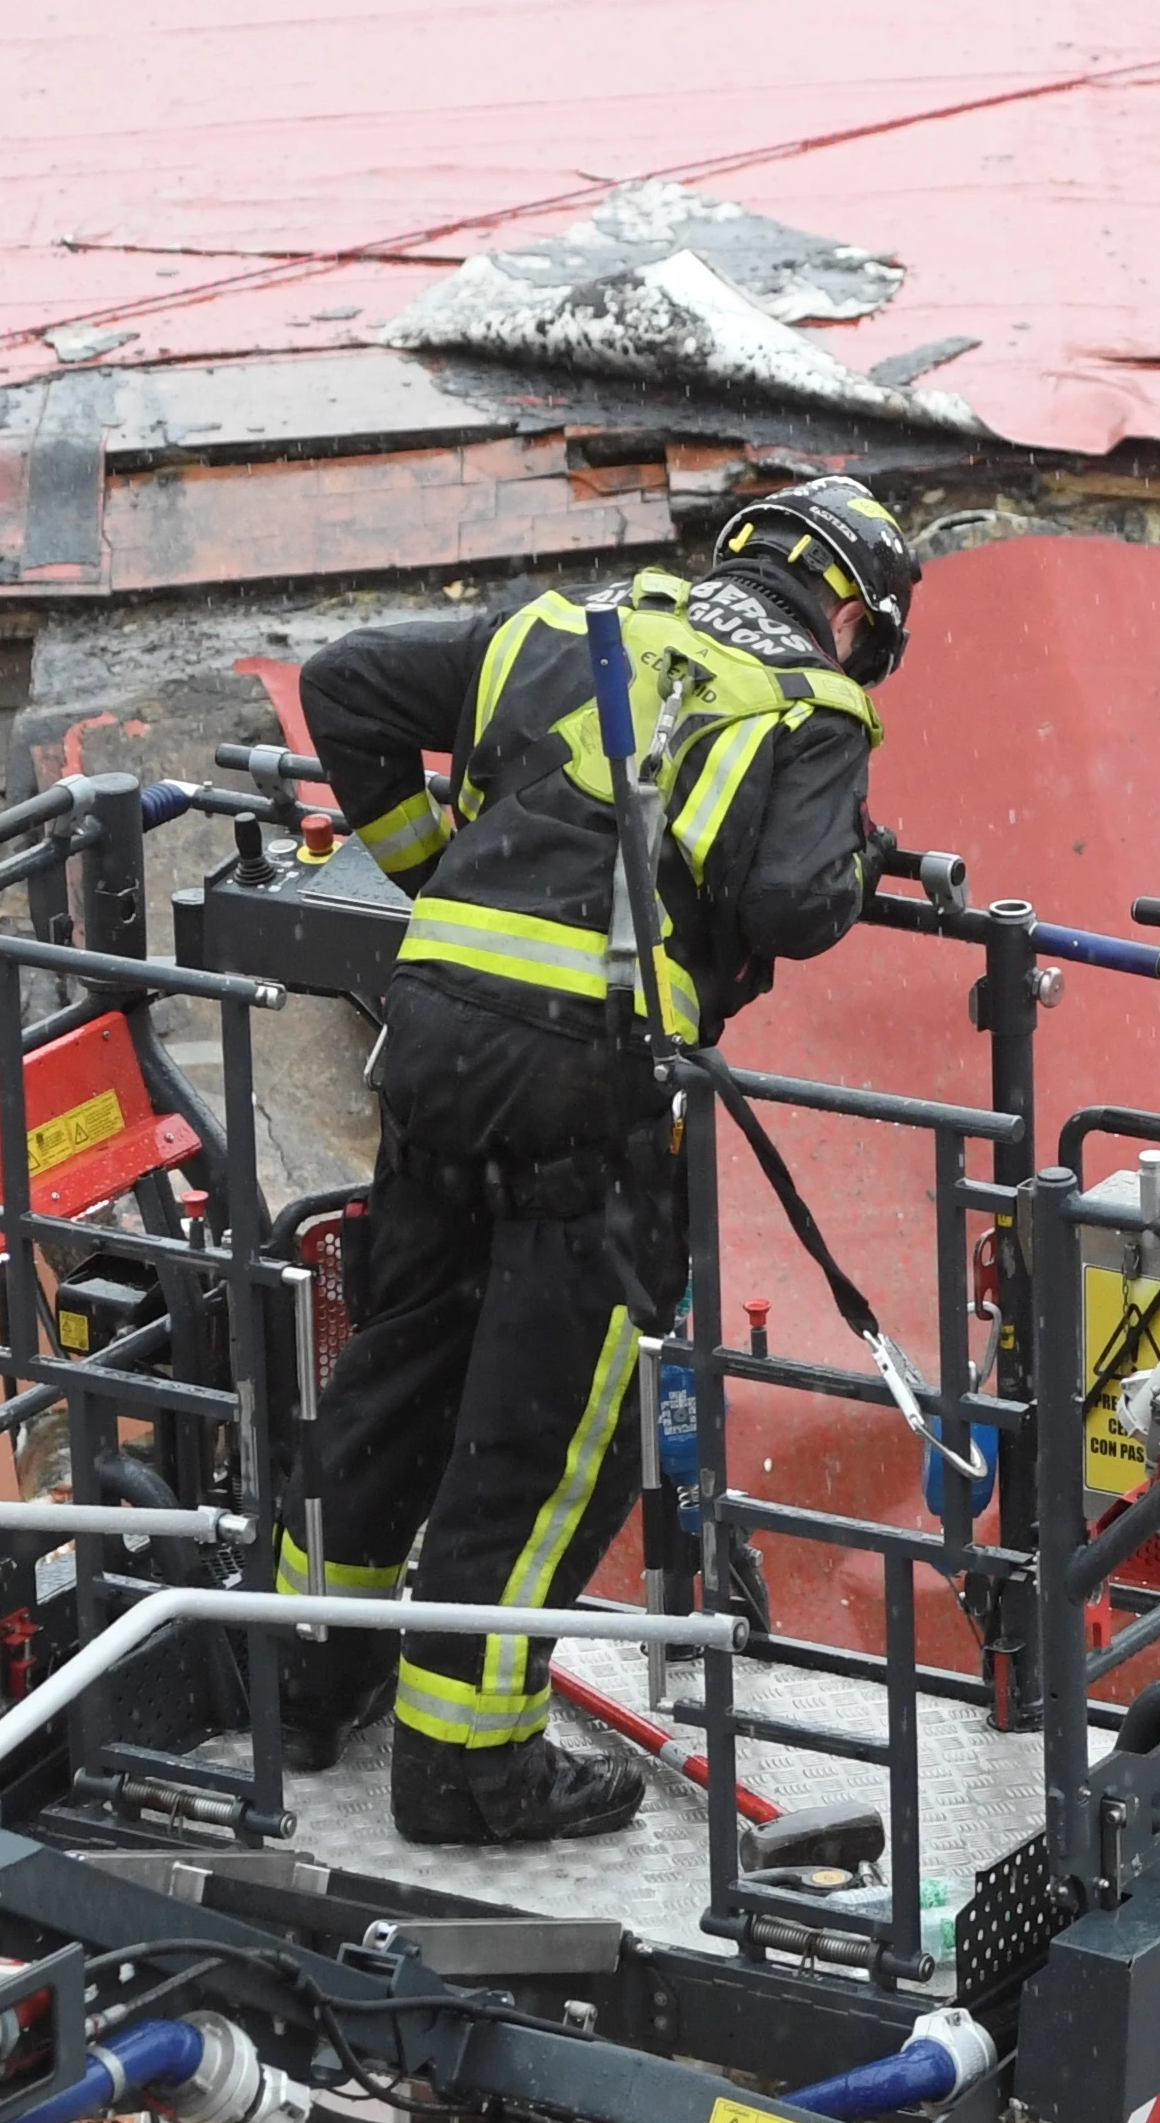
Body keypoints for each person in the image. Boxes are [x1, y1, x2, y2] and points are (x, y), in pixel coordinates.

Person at [277, 478, 915, 1845]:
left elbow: (346, 691)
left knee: (397, 1373)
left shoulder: (566, 620)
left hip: (435, 1040)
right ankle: (467, 1765)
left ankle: (303, 1675)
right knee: (552, 1438)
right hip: (585, 1087)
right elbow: (798, 904)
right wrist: (860, 853)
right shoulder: (816, 708)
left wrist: (431, 867)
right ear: (852, 611)